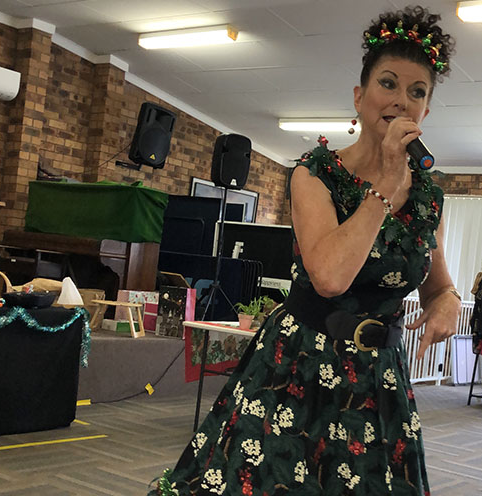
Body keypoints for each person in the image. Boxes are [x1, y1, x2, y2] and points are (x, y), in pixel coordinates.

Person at [152, 5, 459, 495]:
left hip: (378, 378)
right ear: (359, 96)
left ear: (427, 111)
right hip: (301, 365)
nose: (402, 100)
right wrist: (384, 185)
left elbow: (438, 287)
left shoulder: (427, 196)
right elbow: (330, 277)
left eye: (417, 92)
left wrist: (447, 303)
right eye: (388, 84)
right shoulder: (316, 174)